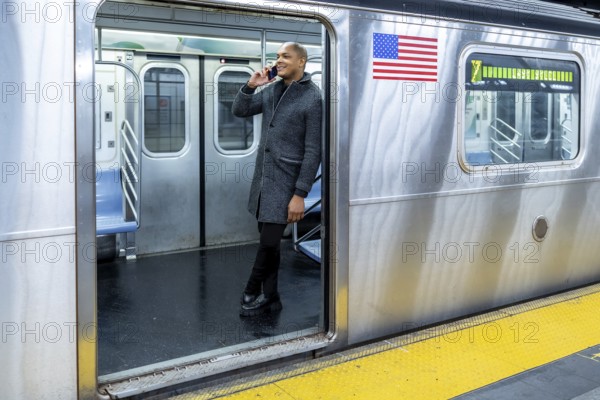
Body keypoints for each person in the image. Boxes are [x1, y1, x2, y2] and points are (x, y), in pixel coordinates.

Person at [232, 42, 322, 317]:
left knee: (268, 243)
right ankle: (272, 298)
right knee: (269, 244)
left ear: (301, 62)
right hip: (264, 181)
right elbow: (240, 110)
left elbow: (313, 151)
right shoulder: (272, 90)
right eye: (277, 56)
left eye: (286, 56)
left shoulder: (312, 98)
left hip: (287, 183)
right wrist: (251, 85)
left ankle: (251, 289)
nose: (278, 60)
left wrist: (300, 194)